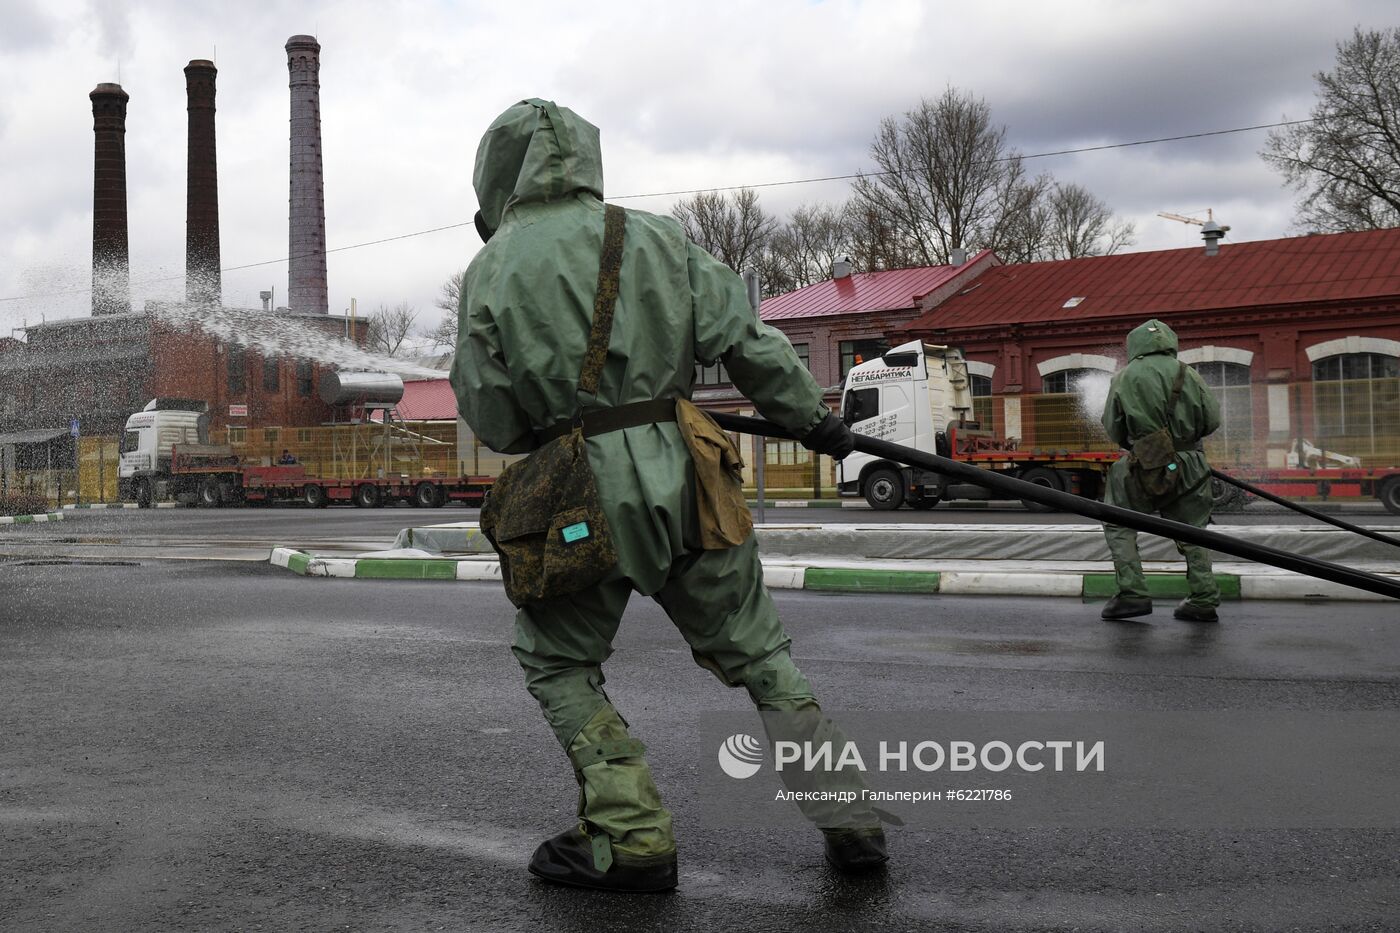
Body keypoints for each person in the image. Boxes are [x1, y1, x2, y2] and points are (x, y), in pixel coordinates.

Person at [451, 99, 880, 893]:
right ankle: (852, 817)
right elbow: (750, 344)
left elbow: (495, 417)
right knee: (759, 654)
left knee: (558, 661)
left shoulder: (493, 267)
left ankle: (631, 831)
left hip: (579, 497)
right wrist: (814, 424)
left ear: (498, 178)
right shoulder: (658, 237)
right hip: (691, 475)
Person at [1100, 319, 1223, 623]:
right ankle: (1203, 598)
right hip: (1190, 463)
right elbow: (1212, 421)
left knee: (1119, 522)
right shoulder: (1189, 373)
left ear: (1135, 345)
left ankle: (1132, 595)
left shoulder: (1124, 377)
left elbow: (1113, 428)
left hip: (1143, 462)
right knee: (1193, 530)